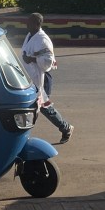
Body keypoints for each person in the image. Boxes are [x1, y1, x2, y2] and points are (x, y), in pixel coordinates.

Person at [21, 12, 73, 144]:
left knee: (40, 107)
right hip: (30, 78)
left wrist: (31, 59)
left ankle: (66, 128)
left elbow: (48, 61)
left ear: (36, 24)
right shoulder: (30, 35)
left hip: (42, 79)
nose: (27, 24)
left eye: (29, 22)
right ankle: (65, 128)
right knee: (33, 107)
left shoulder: (43, 39)